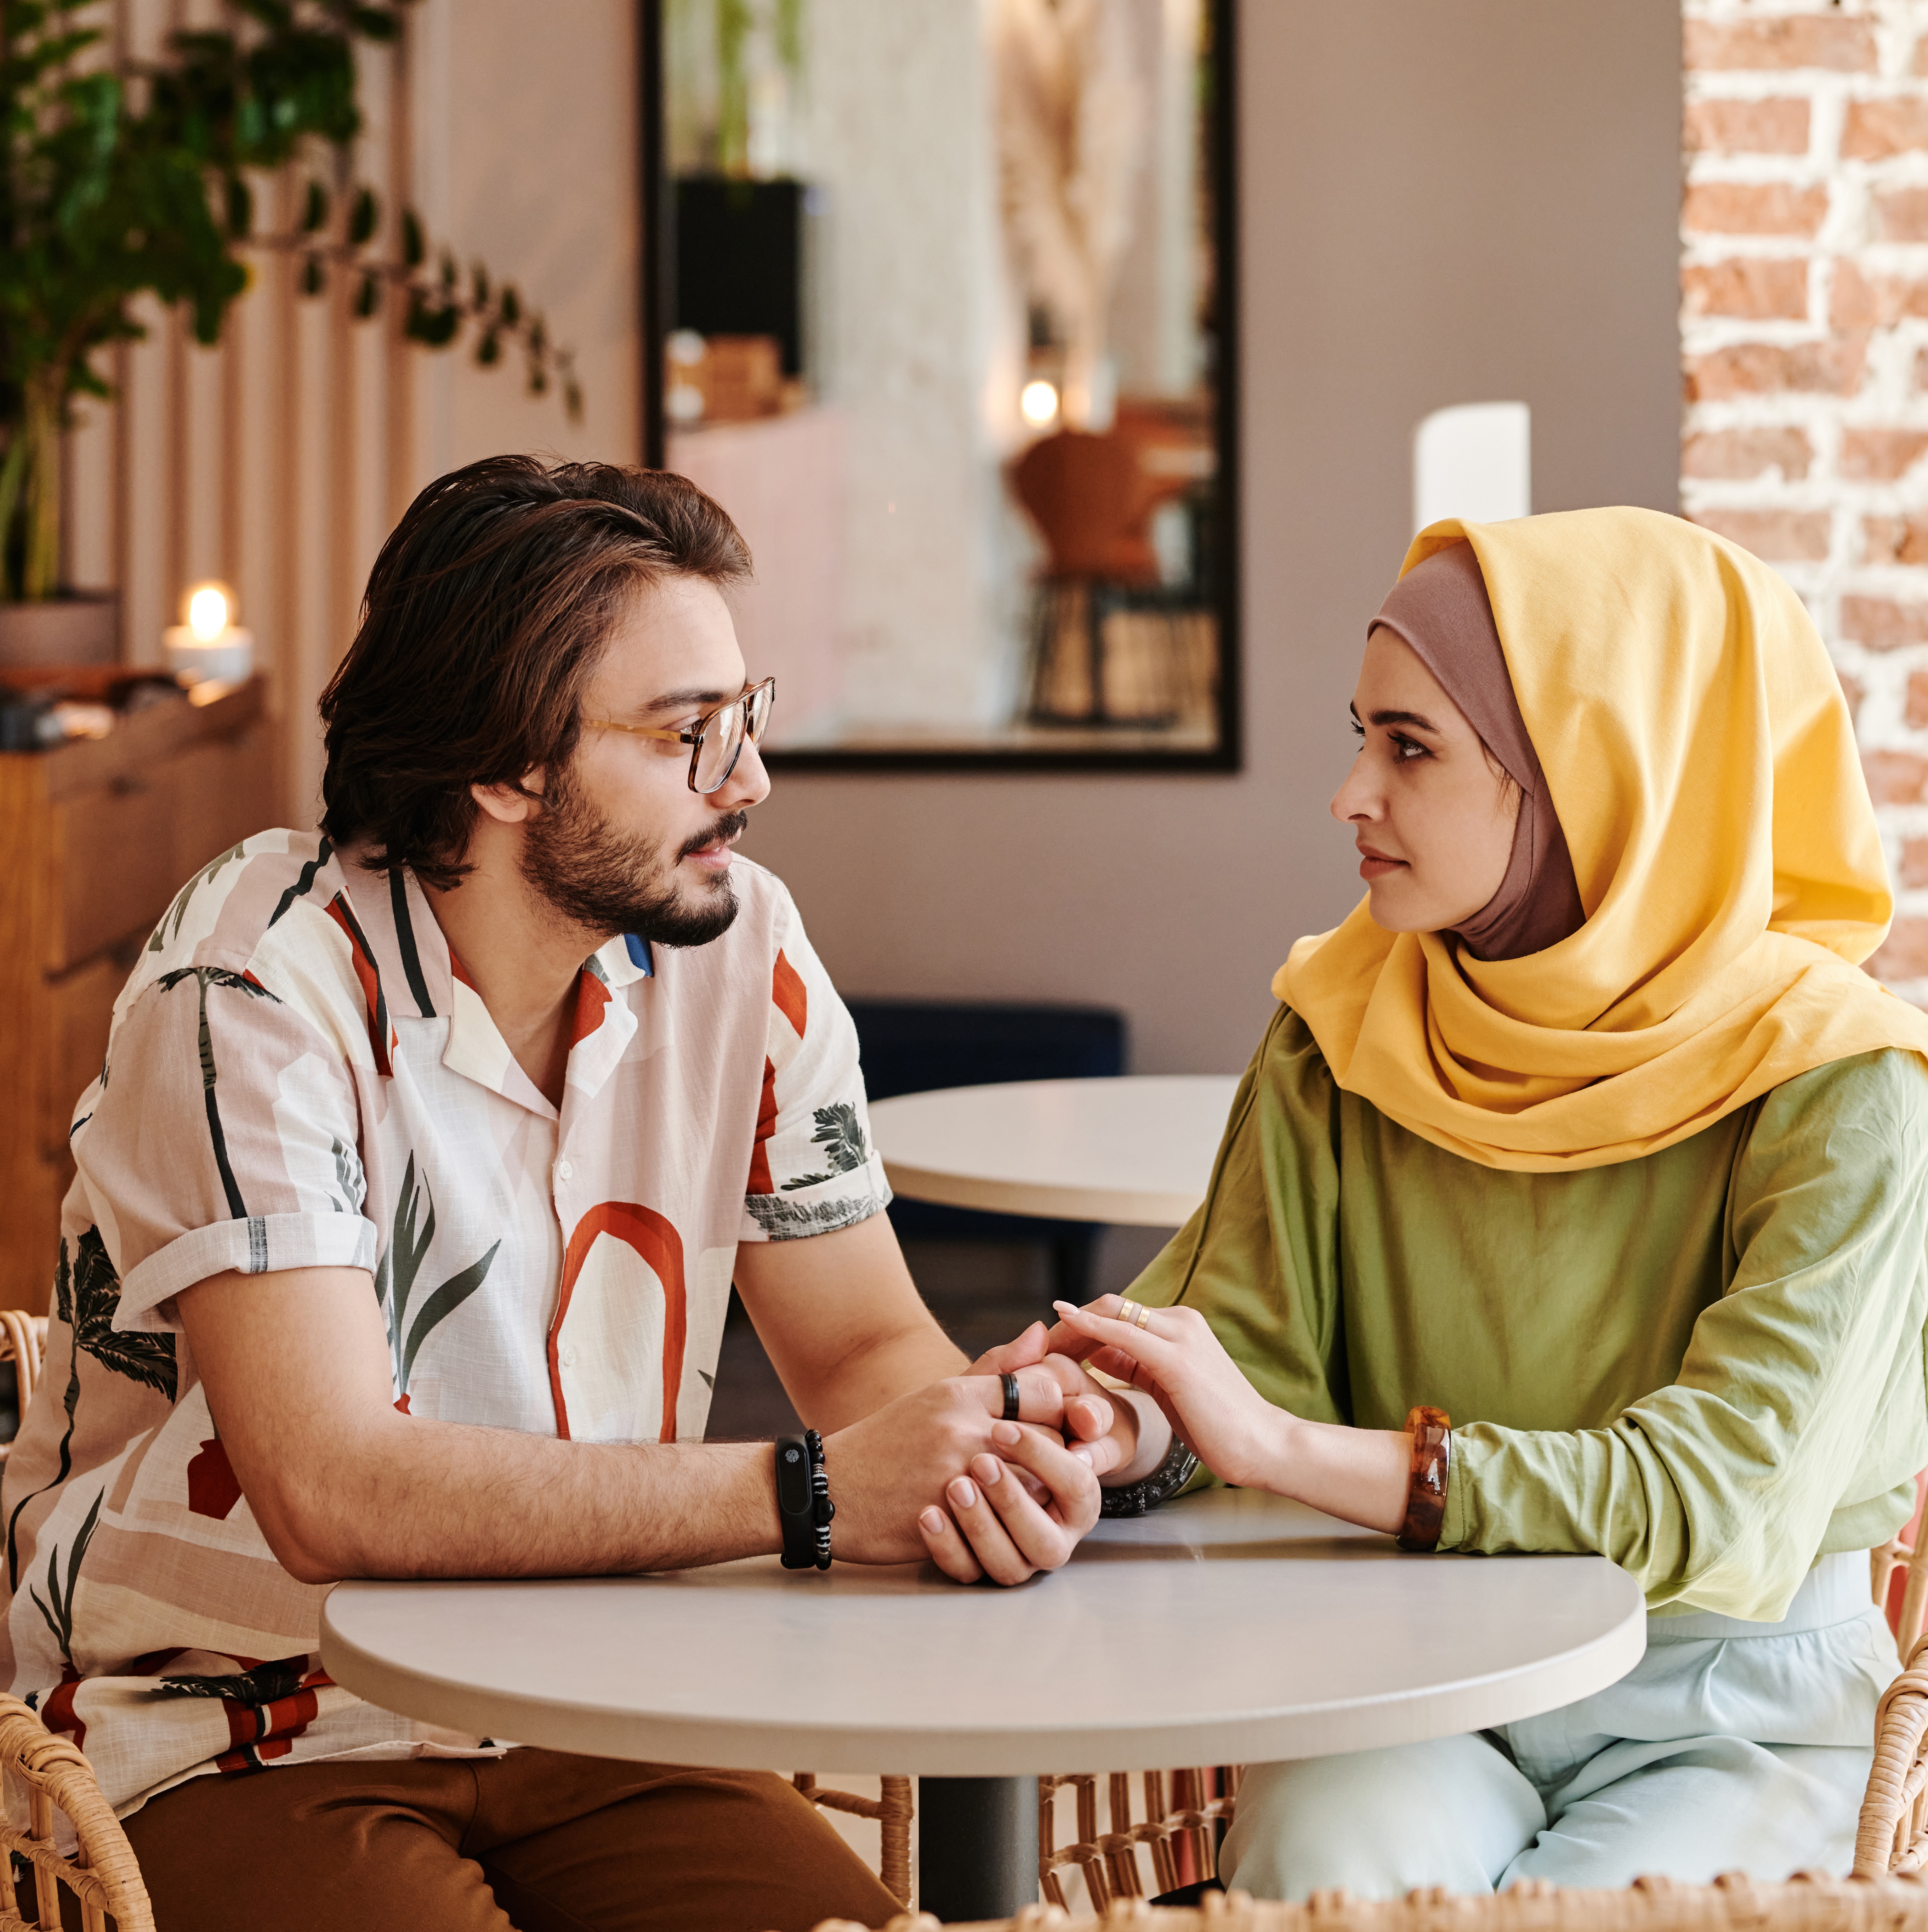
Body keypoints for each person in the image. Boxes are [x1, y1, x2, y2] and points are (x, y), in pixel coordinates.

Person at [0, 455, 1130, 1932]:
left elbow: (863, 1352)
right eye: (686, 734)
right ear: (506, 766)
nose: (750, 781)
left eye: (746, 716)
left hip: (602, 1693)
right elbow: (330, 1485)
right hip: (241, 1724)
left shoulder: (744, 949)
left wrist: (1001, 1455)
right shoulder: (251, 985)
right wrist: (816, 1490)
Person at [1047, 506, 1928, 1896]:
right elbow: (1241, 1341)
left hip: (1731, 1700)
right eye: (1362, 734)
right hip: (1409, 1653)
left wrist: (1292, 1449)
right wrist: (1115, 1414)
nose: (1348, 792)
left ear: (1592, 776)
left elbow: (1719, 1494)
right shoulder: (1343, 1021)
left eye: (1410, 746)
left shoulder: (1841, 1079)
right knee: (1322, 1871)